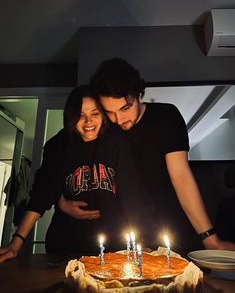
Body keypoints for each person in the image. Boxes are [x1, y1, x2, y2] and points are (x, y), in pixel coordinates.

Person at [59, 58, 235, 252]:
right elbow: (62, 157)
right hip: (121, 237)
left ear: (140, 94)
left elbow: (181, 177)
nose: (119, 119)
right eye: (110, 112)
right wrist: (61, 202)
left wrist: (210, 239)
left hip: (171, 229)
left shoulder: (165, 117)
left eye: (125, 108)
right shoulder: (104, 127)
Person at [0, 85, 145, 263]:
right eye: (80, 115)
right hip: (65, 246)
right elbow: (41, 194)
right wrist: (16, 243)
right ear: (71, 116)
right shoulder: (58, 145)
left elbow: (133, 194)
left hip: (113, 248)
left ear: (104, 115)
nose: (88, 122)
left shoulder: (118, 141)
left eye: (95, 113)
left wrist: (142, 240)